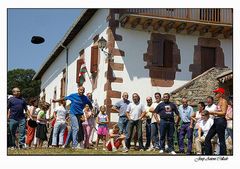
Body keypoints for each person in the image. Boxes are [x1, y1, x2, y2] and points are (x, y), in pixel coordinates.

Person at [204, 88, 228, 155]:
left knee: (221, 140)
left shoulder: (224, 101)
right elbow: (218, 112)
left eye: (216, 93)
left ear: (220, 94)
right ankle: (208, 154)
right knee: (207, 138)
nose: (215, 94)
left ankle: (223, 155)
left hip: (221, 121)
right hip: (216, 121)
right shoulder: (218, 102)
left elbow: (223, 113)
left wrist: (212, 112)